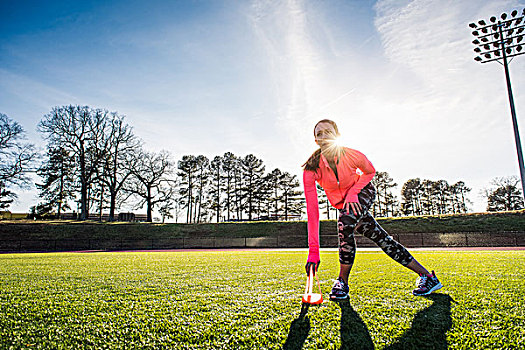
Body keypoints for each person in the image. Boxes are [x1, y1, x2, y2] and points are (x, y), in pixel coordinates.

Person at [303, 119, 442, 299]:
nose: (324, 136)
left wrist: (353, 193)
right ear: (316, 141)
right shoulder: (311, 169)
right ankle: (428, 276)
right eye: (319, 134)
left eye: (328, 132)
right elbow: (312, 210)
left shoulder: (352, 155)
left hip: (362, 193)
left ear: (337, 135)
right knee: (383, 240)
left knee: (344, 223)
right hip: (345, 207)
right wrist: (313, 251)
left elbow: (370, 171)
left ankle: (342, 282)